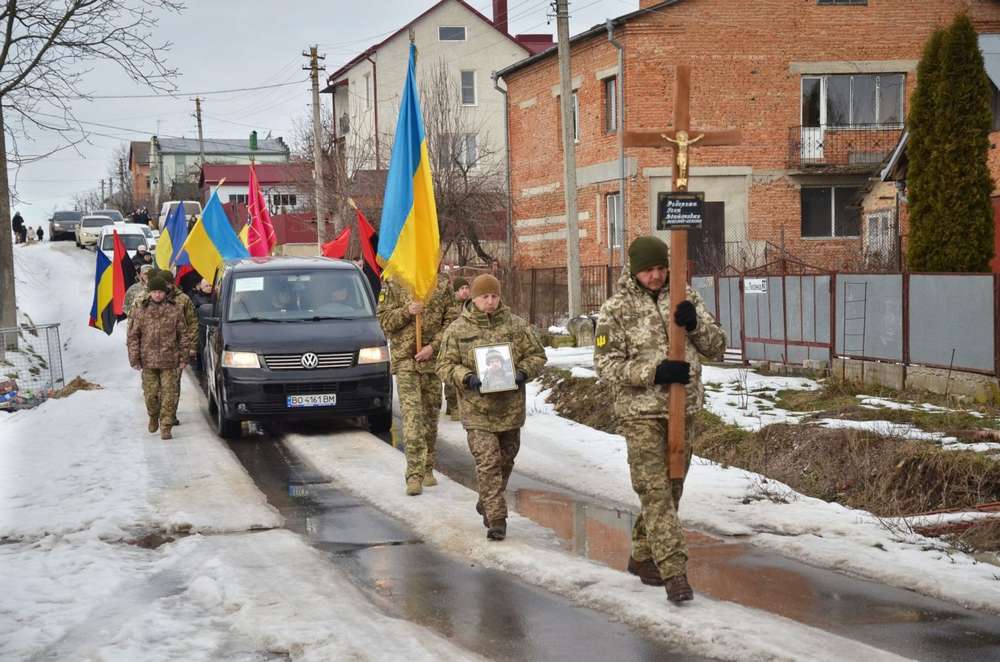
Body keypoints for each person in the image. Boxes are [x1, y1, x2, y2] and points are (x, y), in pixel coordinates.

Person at [594, 236, 727, 604]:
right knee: (654, 491)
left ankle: (642, 554)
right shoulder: (615, 309)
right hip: (640, 413)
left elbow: (717, 346)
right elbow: (605, 365)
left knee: (670, 490)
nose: (655, 276)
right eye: (648, 270)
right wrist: (654, 372)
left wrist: (694, 324)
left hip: (683, 409)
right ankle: (674, 571)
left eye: (660, 268)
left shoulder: (685, 296)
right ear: (634, 271)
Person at [437, 274, 546, 541]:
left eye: (494, 296)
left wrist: (522, 372)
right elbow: (444, 365)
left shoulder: (515, 325)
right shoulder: (458, 329)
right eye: (485, 296)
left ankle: (487, 498)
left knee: (506, 460)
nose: (490, 301)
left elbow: (537, 355)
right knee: (488, 462)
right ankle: (497, 519)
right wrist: (466, 378)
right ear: (474, 299)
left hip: (510, 409)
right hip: (477, 410)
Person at [377, 272, 452, 496]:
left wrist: (433, 347)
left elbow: (452, 323)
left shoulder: (442, 284)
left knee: (430, 418)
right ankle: (414, 474)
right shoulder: (394, 281)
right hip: (406, 362)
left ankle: (428, 467)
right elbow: (383, 321)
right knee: (412, 418)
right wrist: (407, 311)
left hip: (432, 362)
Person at [127, 275, 191, 440]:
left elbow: (183, 335)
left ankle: (166, 426)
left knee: (169, 395)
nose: (157, 295)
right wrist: (134, 358)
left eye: (160, 292)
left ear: (165, 292)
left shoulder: (175, 309)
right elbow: (133, 336)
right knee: (151, 395)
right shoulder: (141, 310)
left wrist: (184, 358)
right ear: (150, 292)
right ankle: (153, 415)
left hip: (170, 360)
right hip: (148, 360)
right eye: (154, 292)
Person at [443, 277, 470, 419]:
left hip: (465, 345)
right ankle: (452, 405)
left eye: (467, 288)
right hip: (451, 344)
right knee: (451, 374)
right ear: (456, 291)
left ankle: (458, 405)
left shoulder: (470, 305)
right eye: (462, 289)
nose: (465, 291)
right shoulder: (451, 304)